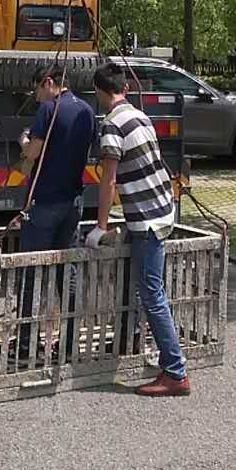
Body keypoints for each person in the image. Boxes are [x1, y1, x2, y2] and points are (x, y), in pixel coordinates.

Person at [87, 62, 190, 397]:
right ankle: (130, 340)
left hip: (146, 219)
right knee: (140, 286)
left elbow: (108, 180)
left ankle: (175, 372)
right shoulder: (141, 116)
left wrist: (100, 227)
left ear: (98, 92)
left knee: (152, 294)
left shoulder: (111, 125)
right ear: (125, 88)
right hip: (161, 209)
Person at [16, 65, 95, 358]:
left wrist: (23, 140)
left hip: (45, 200)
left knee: (31, 270)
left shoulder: (49, 109)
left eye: (37, 89)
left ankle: (25, 345)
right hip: (73, 201)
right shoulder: (86, 110)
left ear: (48, 82)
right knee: (67, 270)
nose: (37, 96)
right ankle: (70, 342)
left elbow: (33, 152)